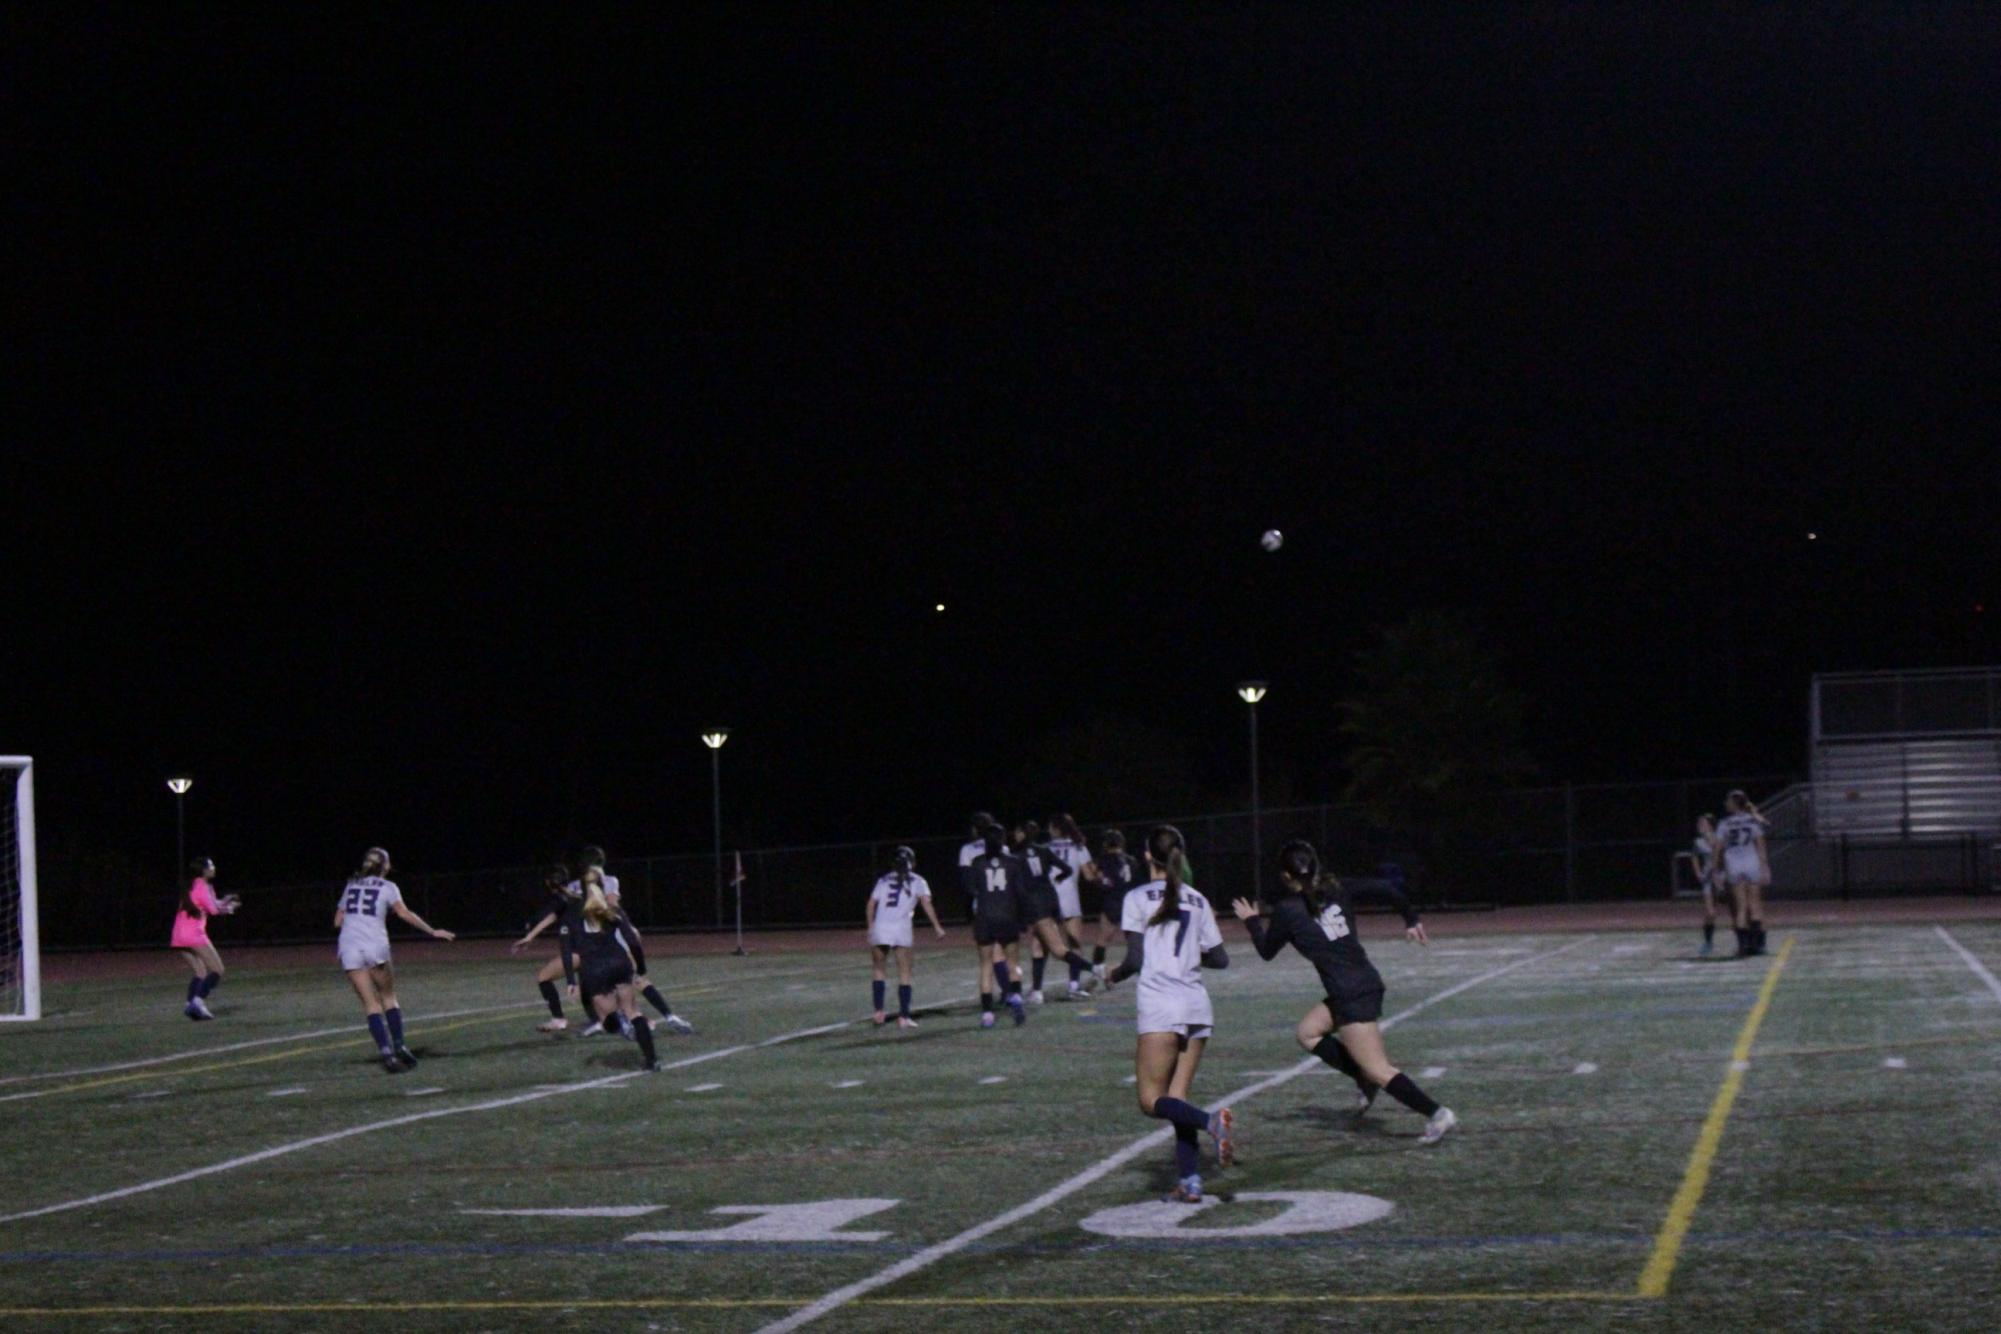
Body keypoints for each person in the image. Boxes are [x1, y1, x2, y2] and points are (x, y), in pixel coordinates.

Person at [1230, 840, 1454, 1144]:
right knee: (1308, 1033)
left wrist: (1252, 922)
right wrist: (1411, 918)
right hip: (1361, 983)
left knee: (1379, 1069)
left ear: (1285, 876)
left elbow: (1267, 951)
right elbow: (1385, 888)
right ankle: (1362, 1077)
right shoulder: (1337, 888)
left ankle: (1437, 1113)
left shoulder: (1287, 910)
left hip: (1352, 994)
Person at [1103, 825, 1234, 1203]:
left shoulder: (1137, 897)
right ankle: (1191, 1181)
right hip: (1196, 1006)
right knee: (1178, 1098)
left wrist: (1113, 974)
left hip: (1161, 1006)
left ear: (1147, 855)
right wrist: (1191, 954)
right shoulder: (1198, 898)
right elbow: (1221, 959)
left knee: (1150, 1101)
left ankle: (1212, 1123)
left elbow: (1135, 959)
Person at [333, 847, 456, 1073]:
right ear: (385, 866)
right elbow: (404, 914)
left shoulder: (351, 885)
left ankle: (387, 1055)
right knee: (388, 997)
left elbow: (338, 921)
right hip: (375, 944)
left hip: (349, 945)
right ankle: (399, 1046)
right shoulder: (389, 887)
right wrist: (432, 931)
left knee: (370, 1005)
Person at [576, 846, 693, 1036]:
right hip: (608, 935)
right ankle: (665, 1016)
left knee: (610, 980)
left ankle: (622, 1020)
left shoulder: (586, 883)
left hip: (600, 937)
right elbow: (612, 905)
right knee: (629, 979)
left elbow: (606, 905)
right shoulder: (607, 880)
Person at [562, 870, 662, 1071]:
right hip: (619, 963)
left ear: (579, 888)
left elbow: (566, 951)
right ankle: (652, 1061)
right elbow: (633, 941)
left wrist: (571, 981)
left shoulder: (571, 915)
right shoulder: (611, 910)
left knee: (607, 1020)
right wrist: (641, 967)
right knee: (633, 1011)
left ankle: (617, 1021)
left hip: (593, 969)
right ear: (602, 886)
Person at [1012, 820, 1095, 1003]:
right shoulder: (1076, 846)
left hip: (1041, 901)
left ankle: (1094, 970)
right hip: (1063, 898)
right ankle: (1070, 986)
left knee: (1050, 947)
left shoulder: (1027, 852)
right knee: (1067, 944)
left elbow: (1020, 884)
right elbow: (1082, 873)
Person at [866, 846, 946, 1028]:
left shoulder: (883, 880)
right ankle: (904, 1016)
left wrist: (871, 927)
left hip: (881, 927)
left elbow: (871, 904)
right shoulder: (918, 881)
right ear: (912, 862)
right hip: (900, 929)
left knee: (879, 970)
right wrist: (937, 927)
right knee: (905, 972)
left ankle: (878, 1012)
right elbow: (926, 904)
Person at [962, 822, 1029, 1028]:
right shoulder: (1013, 862)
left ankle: (987, 1015)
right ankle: (1016, 998)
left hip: (985, 918)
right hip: (1007, 917)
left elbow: (970, 890)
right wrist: (1024, 919)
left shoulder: (976, 862)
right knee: (1012, 963)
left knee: (985, 966)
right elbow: (1021, 893)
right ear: (1003, 841)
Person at [512, 864, 586, 1032]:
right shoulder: (574, 897)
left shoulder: (563, 900)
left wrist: (570, 981)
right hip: (596, 949)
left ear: (549, 883)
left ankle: (558, 1019)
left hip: (580, 951)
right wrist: (530, 936)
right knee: (598, 993)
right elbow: (552, 917)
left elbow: (553, 914)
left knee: (544, 977)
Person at [170, 857, 239, 1020]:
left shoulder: (193, 884)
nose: (214, 868)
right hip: (193, 934)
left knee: (200, 972)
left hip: (178, 934)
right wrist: (229, 908)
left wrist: (225, 901)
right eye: (211, 866)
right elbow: (214, 910)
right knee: (218, 969)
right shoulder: (203, 885)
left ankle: (189, 1006)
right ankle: (198, 1002)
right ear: (204, 870)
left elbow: (210, 903)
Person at [1711, 790, 1770, 957]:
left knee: (1741, 907)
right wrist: (1765, 866)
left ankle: (1743, 946)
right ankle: (1759, 945)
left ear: (1734, 804)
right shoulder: (1753, 820)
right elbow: (1760, 844)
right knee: (1755, 906)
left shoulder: (1724, 823)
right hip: (1751, 862)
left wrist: (1715, 870)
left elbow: (1717, 847)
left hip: (1733, 864)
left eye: (1728, 801)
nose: (1725, 804)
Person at [1045, 813, 1098, 996]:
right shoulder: (1078, 847)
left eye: (1050, 827)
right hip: (1070, 899)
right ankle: (1074, 986)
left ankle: (1036, 990)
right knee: (1074, 944)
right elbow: (1090, 876)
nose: (1049, 830)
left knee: (1043, 945)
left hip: (1048, 899)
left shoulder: (1045, 848)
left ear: (1056, 829)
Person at [1088, 828, 1139, 978]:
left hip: (1112, 902)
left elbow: (1103, 882)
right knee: (1134, 941)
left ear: (1106, 844)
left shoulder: (1104, 860)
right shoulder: (1131, 860)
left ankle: (1098, 973)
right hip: (1130, 904)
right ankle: (1141, 969)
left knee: (1103, 939)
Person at [1692, 814, 1723, 957]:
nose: (1700, 826)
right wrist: (1698, 872)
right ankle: (1708, 942)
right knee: (1711, 912)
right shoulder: (1698, 841)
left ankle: (1748, 940)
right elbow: (1694, 856)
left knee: (1738, 909)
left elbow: (1723, 854)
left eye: (1703, 823)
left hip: (1722, 876)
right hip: (1708, 879)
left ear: (1711, 825)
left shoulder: (1719, 837)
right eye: (1699, 823)